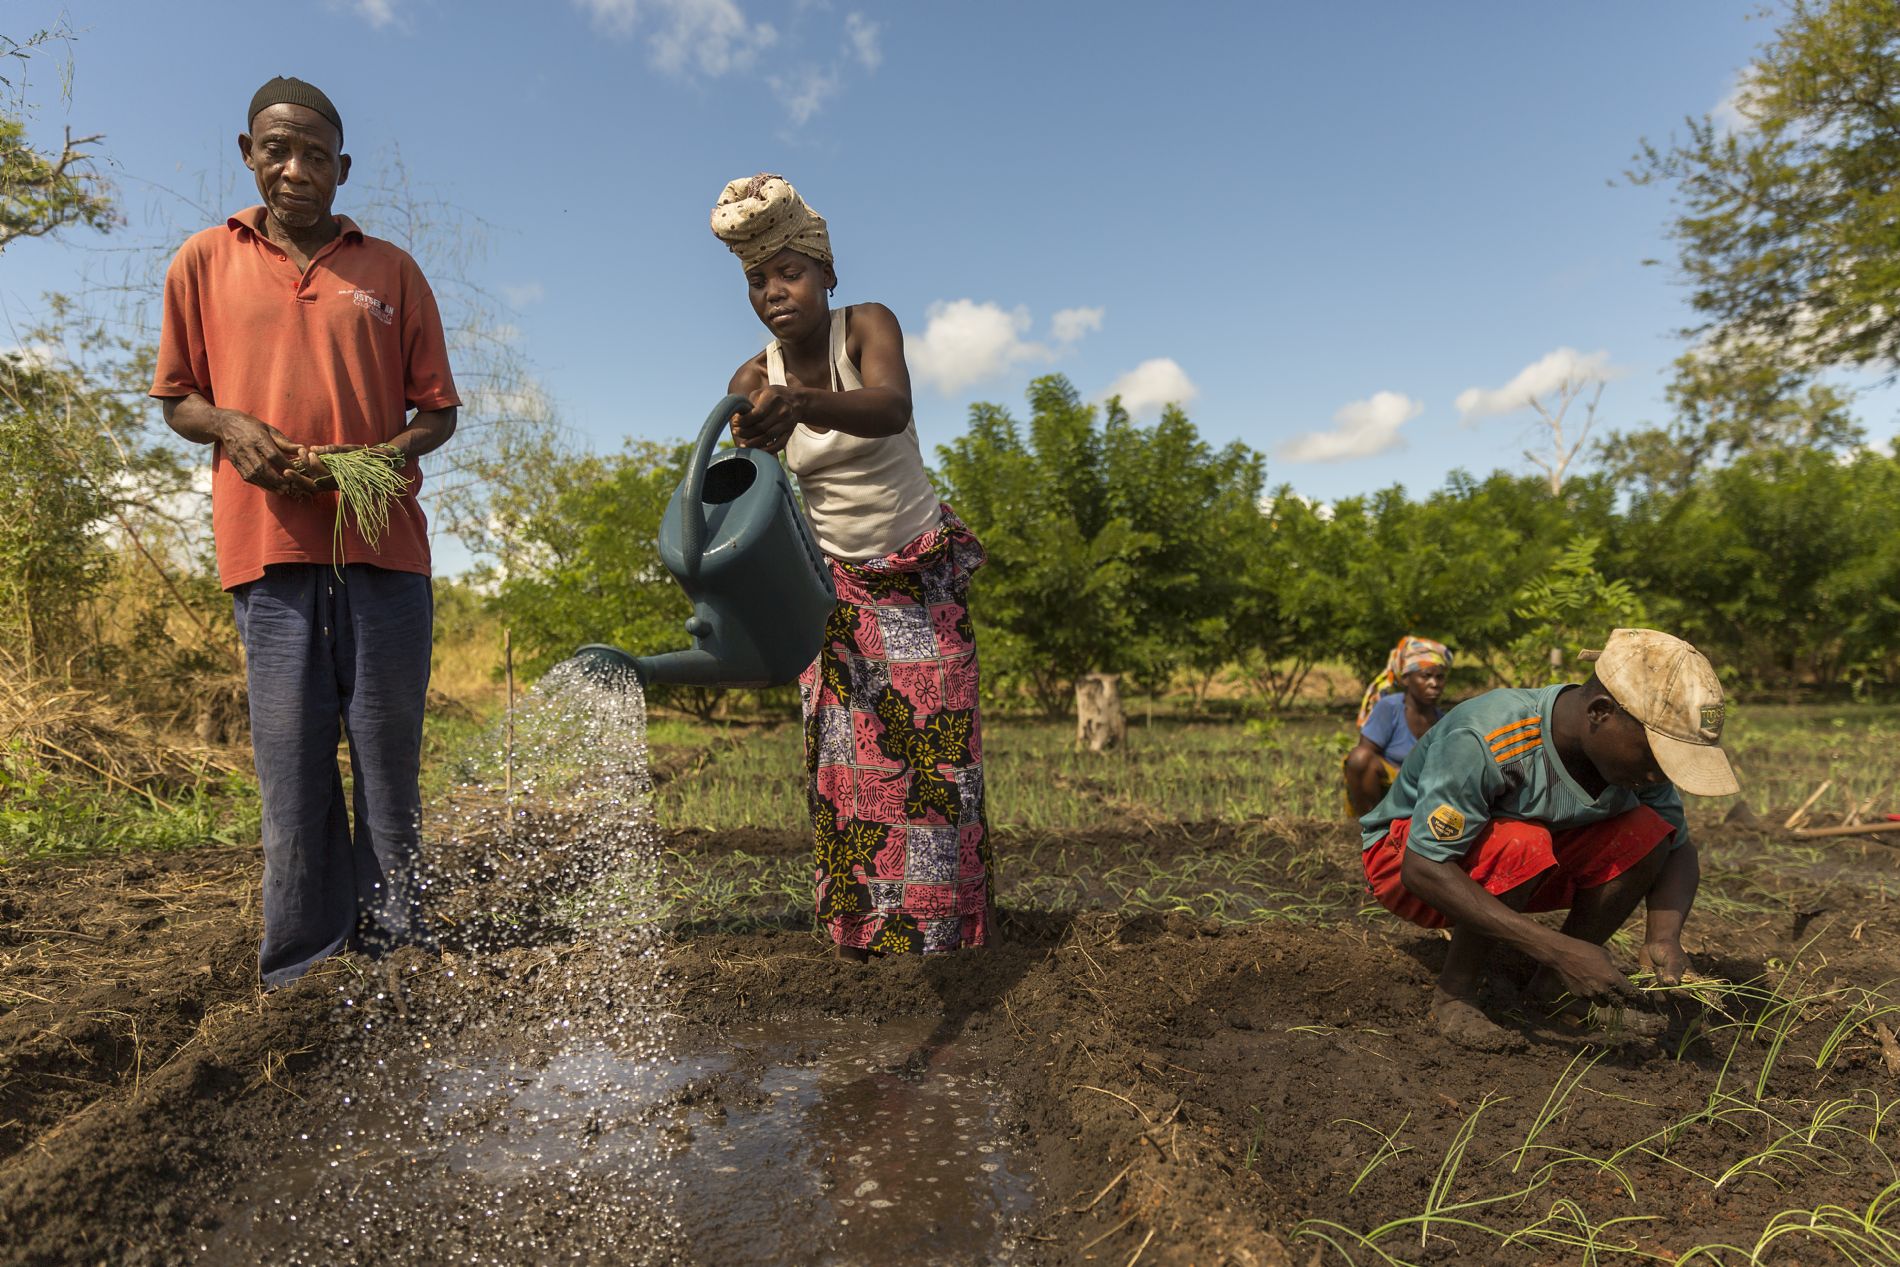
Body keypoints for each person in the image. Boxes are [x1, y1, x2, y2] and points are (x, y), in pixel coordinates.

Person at [151, 78, 459, 988]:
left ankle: (400, 944)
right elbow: (178, 397)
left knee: (387, 755)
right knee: (291, 765)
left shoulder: (391, 270)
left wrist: (372, 457)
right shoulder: (203, 261)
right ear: (247, 151)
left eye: (316, 153)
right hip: (270, 551)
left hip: (383, 549)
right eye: (277, 149)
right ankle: (305, 965)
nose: (296, 168)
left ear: (342, 167)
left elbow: (437, 412)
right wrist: (234, 429)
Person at [711, 174, 990, 960]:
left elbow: (890, 406)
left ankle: (942, 938)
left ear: (827, 273)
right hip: (836, 594)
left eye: (790, 272)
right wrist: (752, 439)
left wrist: (801, 407)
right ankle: (863, 937)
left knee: (937, 764)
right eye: (757, 281)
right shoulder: (750, 380)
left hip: (918, 575)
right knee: (852, 769)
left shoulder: (865, 325)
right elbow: (757, 489)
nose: (774, 292)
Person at [1358, 628, 1739, 1050]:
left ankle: (1555, 991)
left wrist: (1664, 936)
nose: (1659, 774)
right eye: (1656, 755)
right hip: (1407, 862)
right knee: (1521, 840)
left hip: (1519, 868)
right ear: (1600, 712)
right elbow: (1423, 867)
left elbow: (1677, 847)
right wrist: (1557, 948)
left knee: (1647, 833)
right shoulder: (1487, 735)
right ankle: (1454, 996)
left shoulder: (1634, 770)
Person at [1345, 635, 1451, 815]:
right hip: (1388, 788)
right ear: (1406, 680)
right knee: (1359, 758)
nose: (1434, 684)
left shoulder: (1443, 720)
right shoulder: (1390, 708)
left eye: (1439, 678)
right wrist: (1402, 774)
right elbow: (1364, 753)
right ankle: (1369, 823)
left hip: (1422, 793)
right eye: (1426, 676)